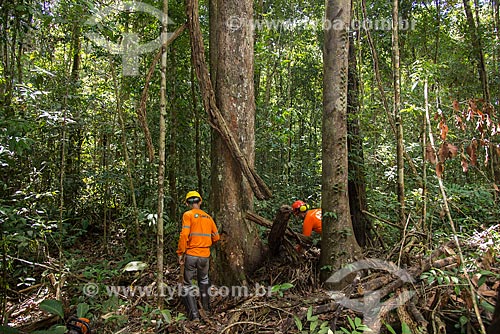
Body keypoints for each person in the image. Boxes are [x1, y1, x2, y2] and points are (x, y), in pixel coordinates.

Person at [177, 191, 220, 321]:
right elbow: (216, 237)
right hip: (204, 256)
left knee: (187, 284)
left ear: (186, 203)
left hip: (190, 255)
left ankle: (194, 315)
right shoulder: (208, 217)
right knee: (204, 280)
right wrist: (205, 244)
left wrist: (180, 252)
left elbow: (184, 235)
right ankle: (206, 310)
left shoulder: (188, 215)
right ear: (200, 201)